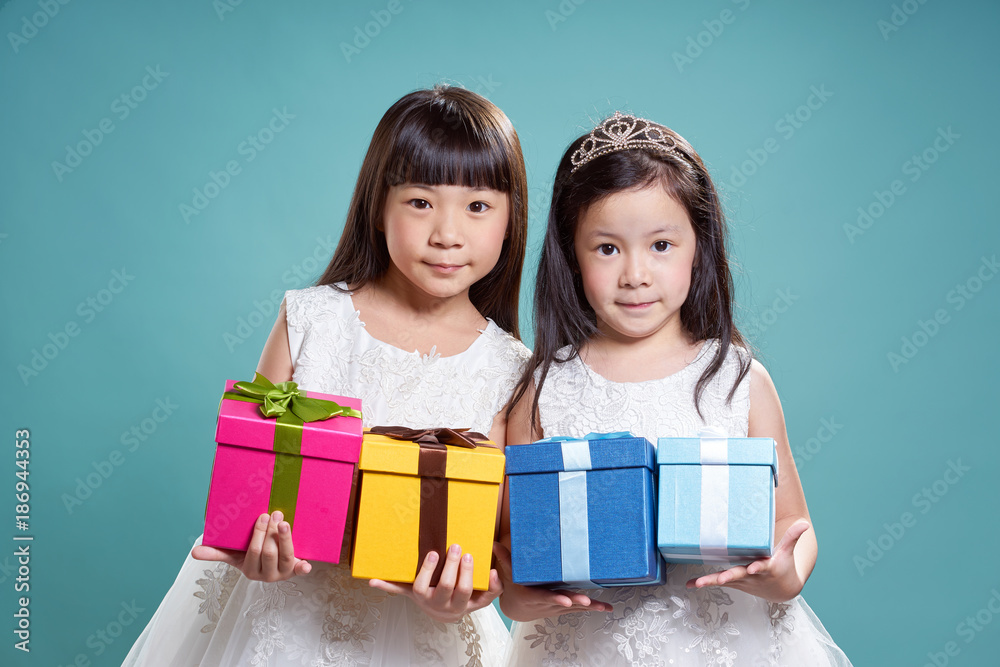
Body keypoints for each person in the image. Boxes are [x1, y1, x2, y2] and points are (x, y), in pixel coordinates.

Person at [123, 85, 532, 667]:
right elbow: (253, 472)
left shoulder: (512, 369)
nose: (447, 233)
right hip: (281, 624)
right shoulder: (311, 318)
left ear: (512, 218)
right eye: (420, 202)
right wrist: (253, 547)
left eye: (478, 206)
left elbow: (490, 551)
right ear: (378, 203)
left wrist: (458, 601)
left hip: (418, 642)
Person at [497, 112, 852, 666]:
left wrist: (786, 575)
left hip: (727, 643)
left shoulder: (736, 379)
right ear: (571, 254)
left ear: (698, 246)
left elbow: (793, 523)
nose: (635, 273)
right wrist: (516, 596)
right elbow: (515, 546)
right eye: (607, 248)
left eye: (661, 244)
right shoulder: (542, 391)